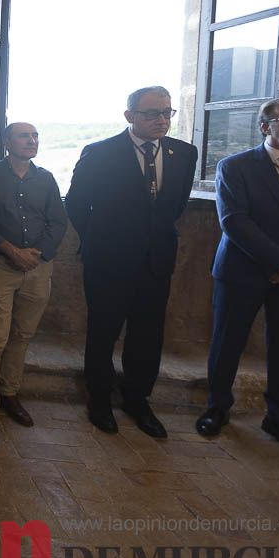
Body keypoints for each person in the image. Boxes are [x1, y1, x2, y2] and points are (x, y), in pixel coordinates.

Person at [65, 86, 197, 439]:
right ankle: (99, 399)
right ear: (129, 116)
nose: (161, 120)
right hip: (108, 262)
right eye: (152, 113)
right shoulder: (100, 153)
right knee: (103, 331)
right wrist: (101, 241)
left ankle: (138, 398)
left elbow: (174, 207)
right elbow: (76, 204)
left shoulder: (184, 153)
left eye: (168, 113)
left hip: (156, 261)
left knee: (148, 335)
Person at [198, 96, 279, 459]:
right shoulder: (235, 166)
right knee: (227, 342)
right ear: (266, 126)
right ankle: (217, 408)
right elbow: (235, 221)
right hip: (243, 271)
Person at [0, 122, 67, 446]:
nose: (32, 140)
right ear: (7, 142)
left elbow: (58, 221)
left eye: (36, 135)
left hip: (38, 268)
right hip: (1, 265)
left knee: (22, 335)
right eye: (25, 136)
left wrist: (38, 254)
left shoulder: (46, 179)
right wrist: (11, 250)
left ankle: (8, 393)